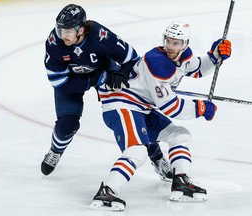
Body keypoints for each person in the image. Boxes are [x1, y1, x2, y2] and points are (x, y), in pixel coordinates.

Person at [89, 21, 232, 211]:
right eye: (169, 41)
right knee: (137, 150)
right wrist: (200, 108)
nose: (171, 47)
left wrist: (215, 56)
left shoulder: (184, 56)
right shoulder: (157, 62)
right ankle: (107, 191)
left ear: (185, 44)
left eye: (176, 43)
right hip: (121, 104)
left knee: (180, 136)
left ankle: (180, 181)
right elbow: (171, 107)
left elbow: (198, 68)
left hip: (141, 107)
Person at [41, 4, 173, 181]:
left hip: (106, 74)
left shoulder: (100, 36)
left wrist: (121, 73)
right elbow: (59, 83)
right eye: (60, 30)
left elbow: (132, 58)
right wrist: (94, 80)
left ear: (81, 29)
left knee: (132, 114)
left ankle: (156, 157)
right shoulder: (54, 43)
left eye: (68, 31)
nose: (63, 35)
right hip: (75, 81)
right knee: (67, 125)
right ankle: (55, 151)